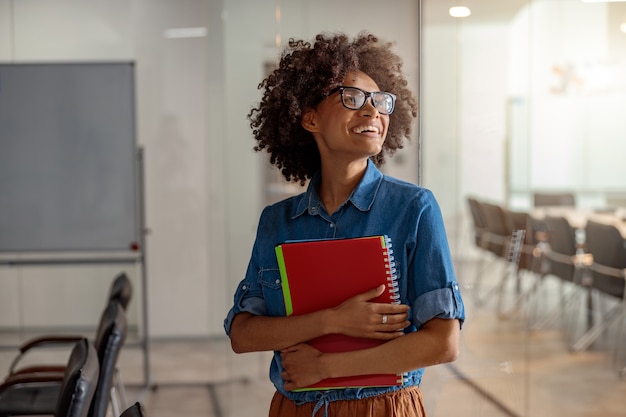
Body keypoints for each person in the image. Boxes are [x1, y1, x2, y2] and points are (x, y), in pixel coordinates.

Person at [224, 32, 465, 417]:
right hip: (295, 408)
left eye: (380, 101)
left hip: (383, 408)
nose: (373, 112)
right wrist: (332, 321)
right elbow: (242, 333)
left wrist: (326, 367)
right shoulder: (277, 222)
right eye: (353, 98)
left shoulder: (414, 208)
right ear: (310, 117)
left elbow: (443, 342)